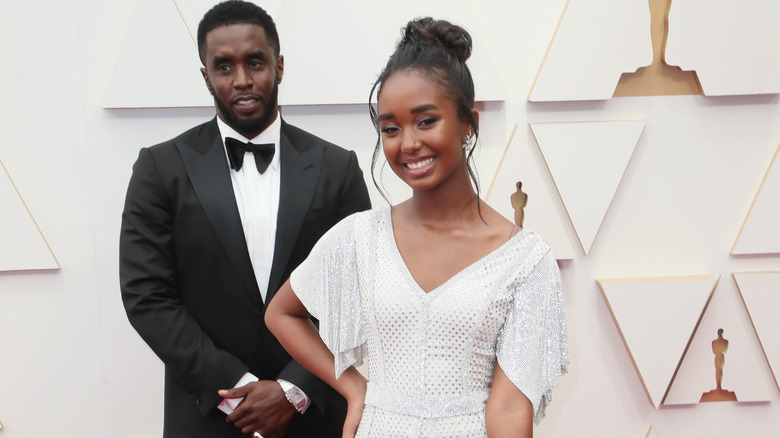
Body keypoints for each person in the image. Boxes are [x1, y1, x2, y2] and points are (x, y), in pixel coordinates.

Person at [265, 17, 568, 438]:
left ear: (469, 125)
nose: (407, 143)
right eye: (391, 128)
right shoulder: (359, 237)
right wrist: (355, 388)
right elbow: (282, 313)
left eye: (426, 121)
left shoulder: (525, 260)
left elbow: (510, 409)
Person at [118, 1, 371, 437]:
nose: (242, 80)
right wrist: (237, 387)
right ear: (205, 76)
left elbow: (359, 291)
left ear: (280, 65)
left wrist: (293, 388)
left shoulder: (336, 167)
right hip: (206, 416)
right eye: (224, 66)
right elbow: (147, 295)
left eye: (255, 62)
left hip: (311, 416)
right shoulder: (160, 168)